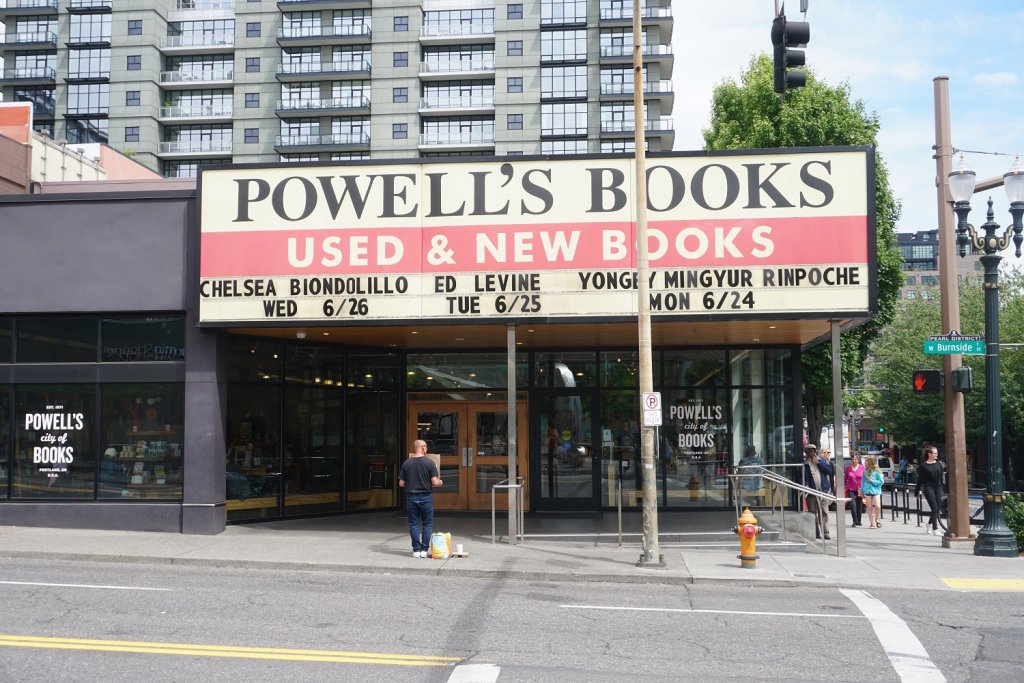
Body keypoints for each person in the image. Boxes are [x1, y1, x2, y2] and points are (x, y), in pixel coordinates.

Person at [399, 439, 442, 558]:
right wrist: (440, 482)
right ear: (423, 447)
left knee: (414, 524)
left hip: (411, 496)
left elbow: (401, 484)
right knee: (427, 523)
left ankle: (416, 550)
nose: (426, 448)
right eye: (426, 446)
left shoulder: (406, 463)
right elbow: (434, 482)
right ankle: (424, 550)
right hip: (426, 496)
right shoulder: (429, 463)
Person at [802, 444, 833, 540]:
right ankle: (816, 532)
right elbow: (802, 476)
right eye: (810, 451)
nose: (812, 453)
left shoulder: (821, 460)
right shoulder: (805, 463)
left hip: (823, 490)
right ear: (806, 452)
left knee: (824, 512)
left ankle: (826, 532)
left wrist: (819, 463)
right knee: (812, 513)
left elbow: (828, 470)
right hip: (811, 492)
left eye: (814, 451)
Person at [915, 444, 946, 536]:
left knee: (936, 509)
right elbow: (920, 480)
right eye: (935, 453)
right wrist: (916, 492)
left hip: (938, 487)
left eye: (937, 453)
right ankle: (935, 529)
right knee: (934, 508)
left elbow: (941, 478)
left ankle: (928, 524)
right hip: (928, 487)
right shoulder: (923, 466)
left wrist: (944, 489)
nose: (937, 454)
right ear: (929, 454)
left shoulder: (939, 464)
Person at [861, 456, 885, 529]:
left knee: (878, 506)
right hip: (867, 490)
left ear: (870, 462)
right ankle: (872, 523)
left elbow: (881, 482)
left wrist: (872, 481)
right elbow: (863, 482)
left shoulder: (877, 471)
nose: (865, 463)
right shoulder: (865, 471)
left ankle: (877, 519)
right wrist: (862, 491)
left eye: (866, 461)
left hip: (876, 491)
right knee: (869, 507)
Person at [844, 453, 865, 527]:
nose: (854, 460)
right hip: (851, 488)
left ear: (858, 460)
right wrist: (844, 487)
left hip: (860, 488)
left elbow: (865, 478)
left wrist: (864, 488)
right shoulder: (848, 468)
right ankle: (854, 521)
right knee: (853, 504)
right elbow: (845, 478)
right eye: (852, 459)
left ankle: (859, 521)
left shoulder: (862, 468)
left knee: (859, 505)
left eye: (855, 459)